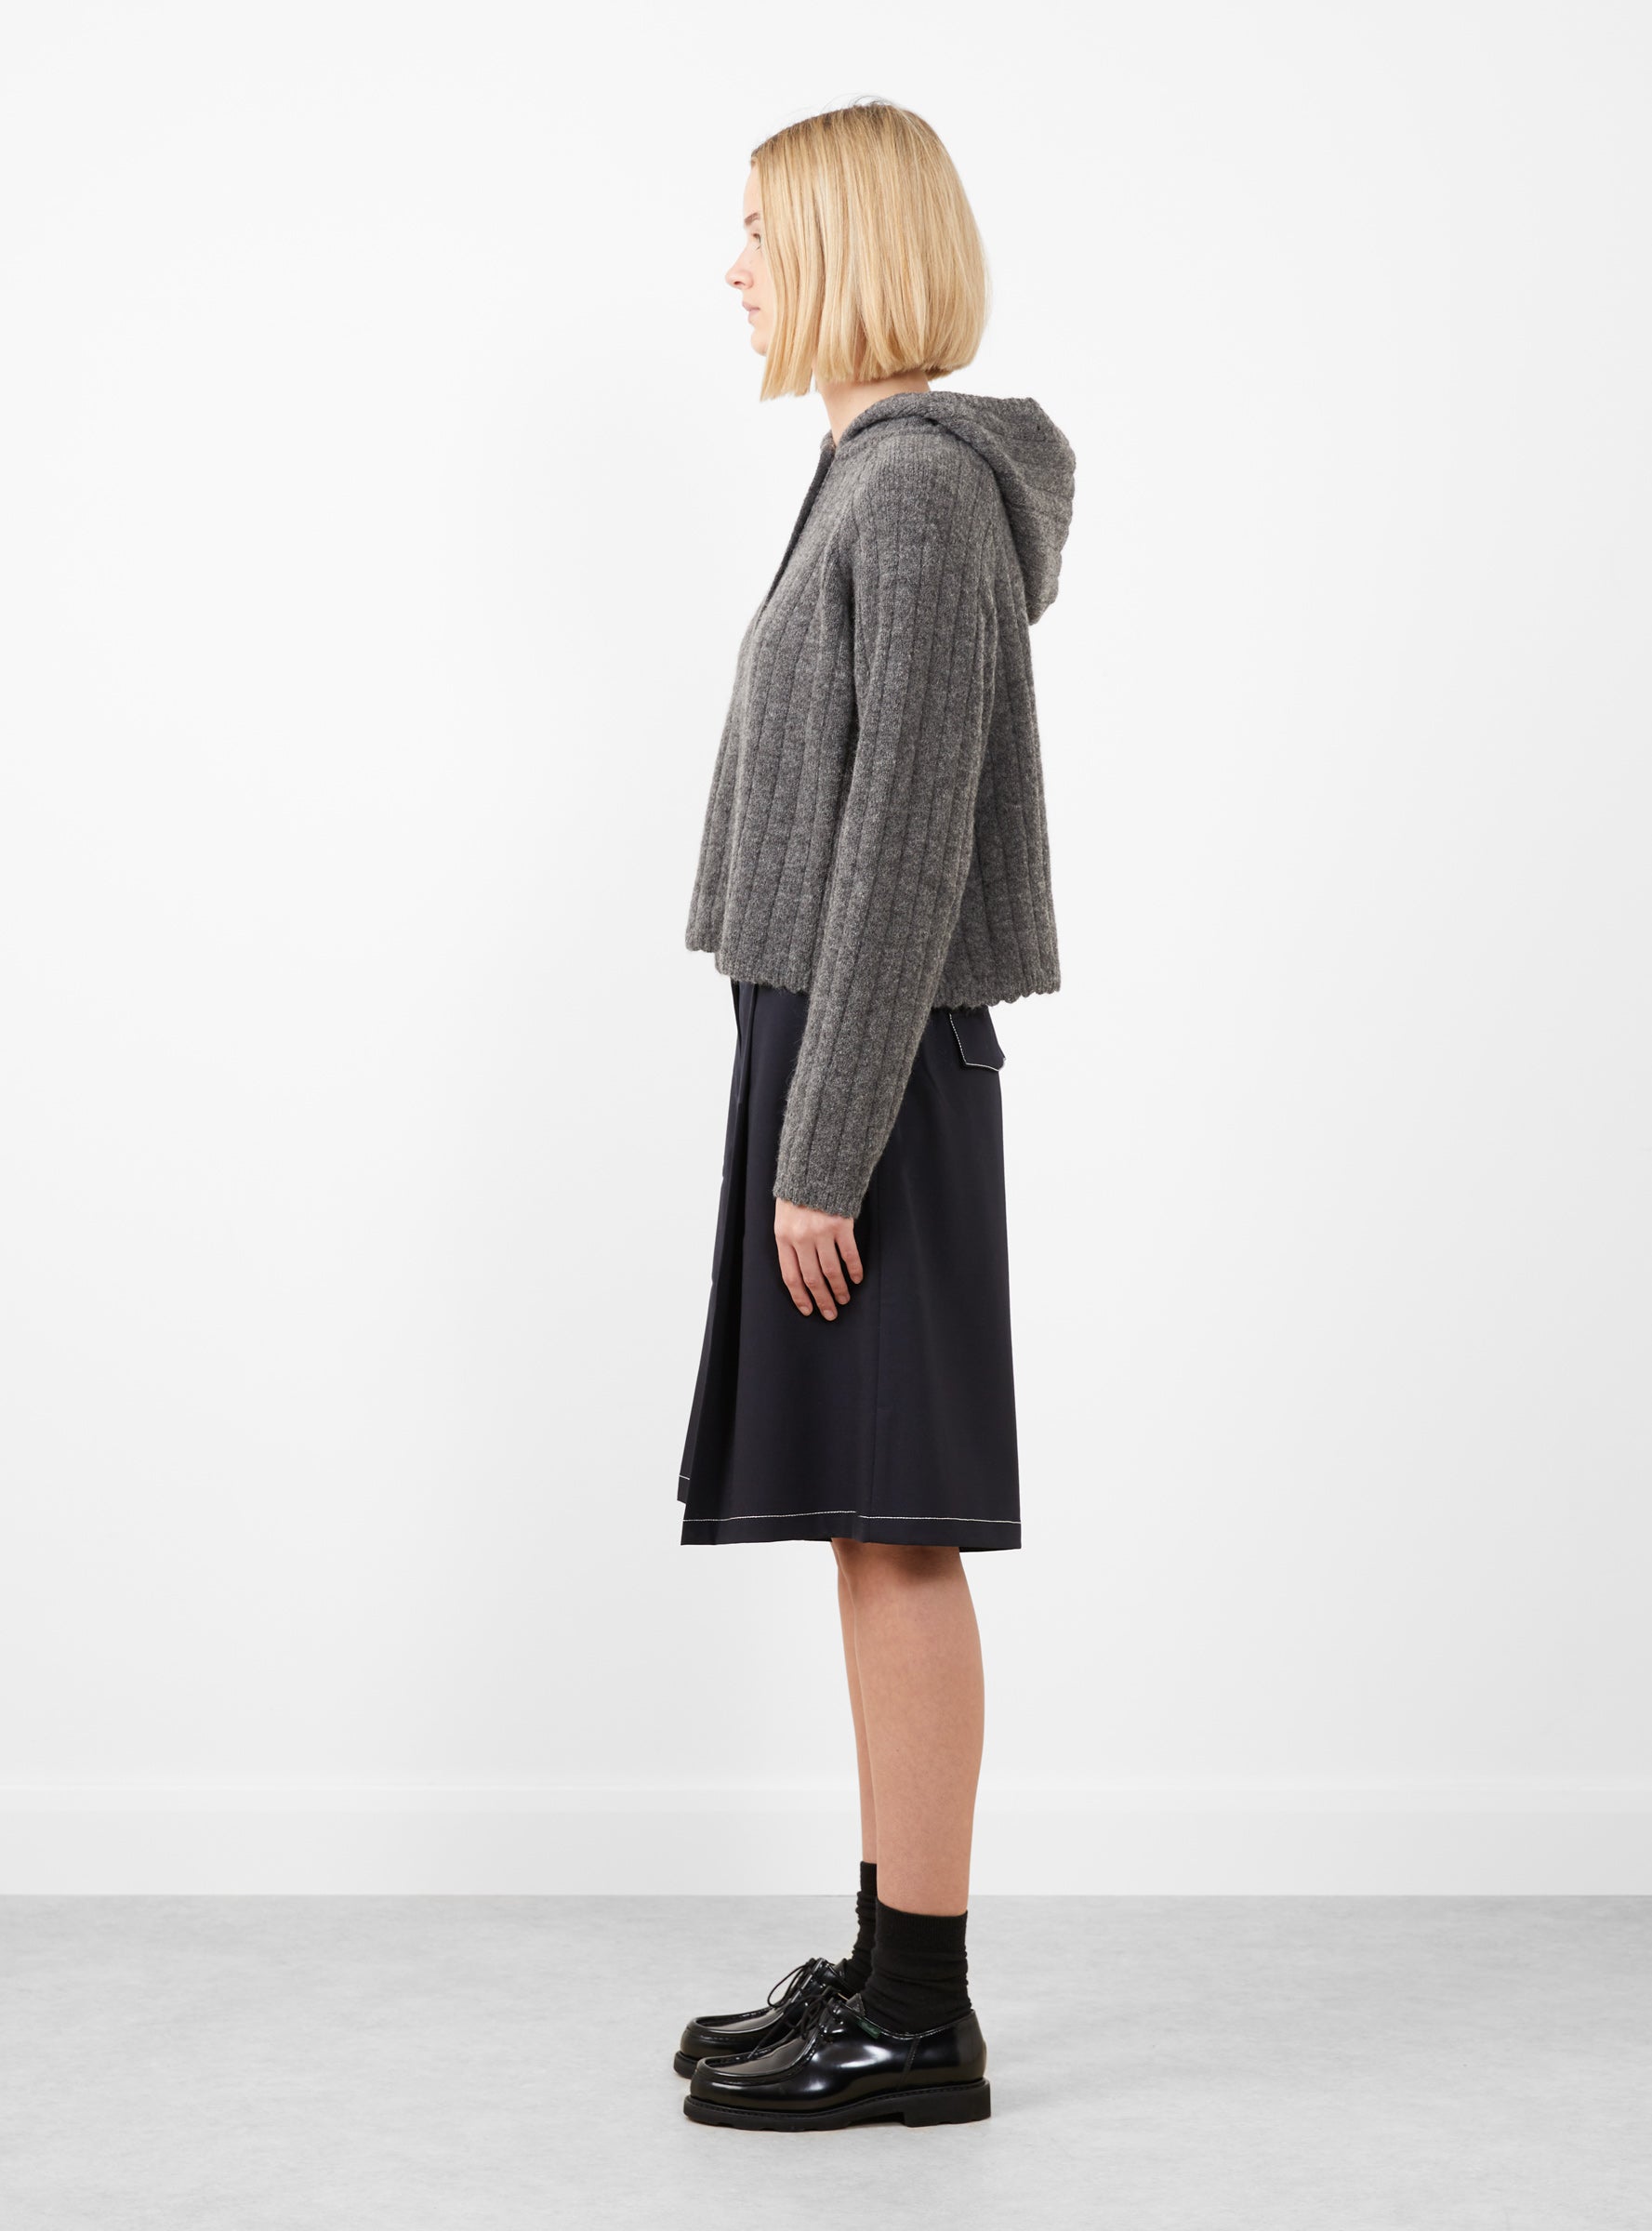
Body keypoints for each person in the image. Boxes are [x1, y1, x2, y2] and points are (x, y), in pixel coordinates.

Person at [673, 98, 1076, 2132]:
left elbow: (902, 847)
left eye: (761, 229)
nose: (733, 266)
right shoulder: (864, 477)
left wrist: (820, 1151)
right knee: (866, 1526)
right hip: (836, 1048)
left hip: (872, 1065)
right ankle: (888, 1953)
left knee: (898, 1536)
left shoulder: (910, 496)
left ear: (844, 249)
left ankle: (922, 2014)